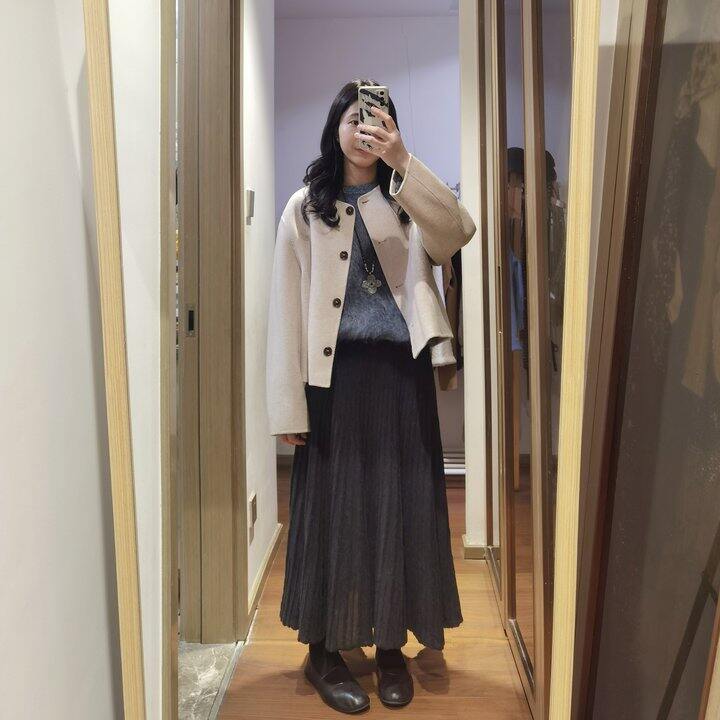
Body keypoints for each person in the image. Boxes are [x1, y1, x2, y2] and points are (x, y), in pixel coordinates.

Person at [265, 78, 477, 714]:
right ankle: (325, 650)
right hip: (334, 382)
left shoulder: (407, 199)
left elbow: (458, 231)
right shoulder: (305, 207)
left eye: (376, 120)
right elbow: (284, 311)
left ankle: (389, 647)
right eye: (353, 119)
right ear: (335, 127)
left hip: (400, 379)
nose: (364, 130)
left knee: (398, 508)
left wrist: (403, 160)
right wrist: (287, 407)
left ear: (390, 127)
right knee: (333, 513)